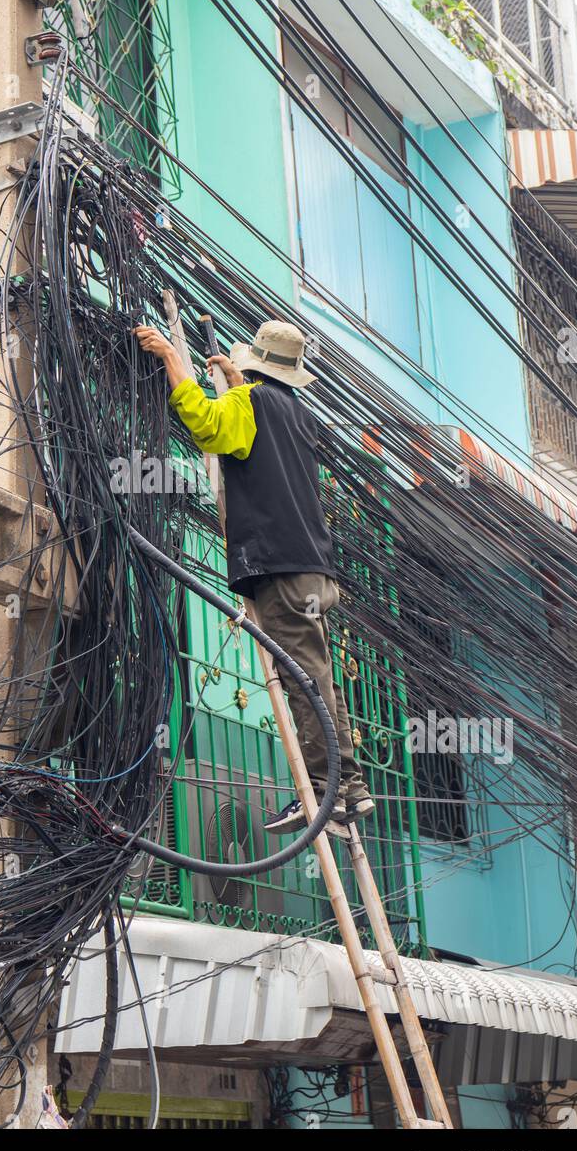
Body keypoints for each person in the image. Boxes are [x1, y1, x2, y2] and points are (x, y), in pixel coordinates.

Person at [133, 316, 374, 834]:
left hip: (280, 571)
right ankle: (348, 789)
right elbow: (256, 439)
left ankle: (330, 794)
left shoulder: (251, 404)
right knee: (320, 680)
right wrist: (239, 387)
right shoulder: (295, 413)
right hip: (314, 569)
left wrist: (172, 359)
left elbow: (205, 424)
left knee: (304, 683)